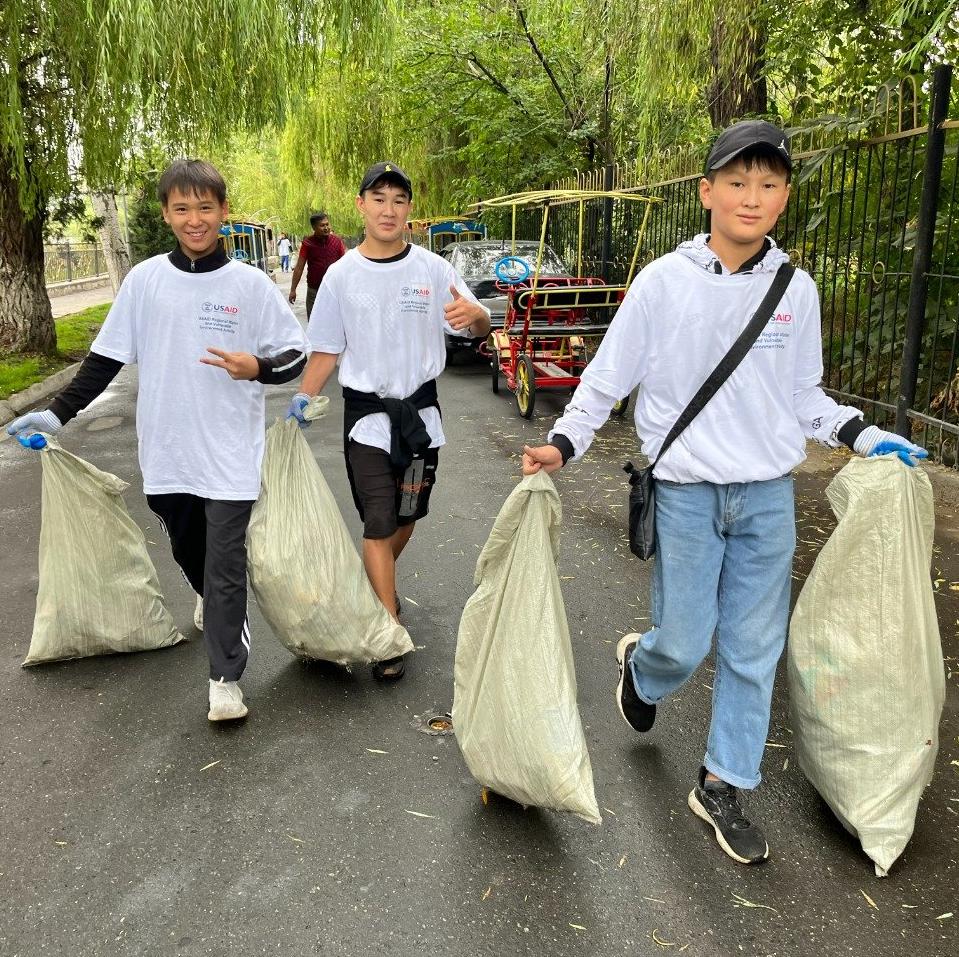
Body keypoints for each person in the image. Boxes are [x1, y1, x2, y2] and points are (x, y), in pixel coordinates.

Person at [521, 120, 927, 865]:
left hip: (767, 495)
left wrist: (865, 435)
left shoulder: (794, 289)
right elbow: (607, 378)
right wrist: (564, 442)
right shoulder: (662, 283)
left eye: (768, 184)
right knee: (683, 639)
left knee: (752, 648)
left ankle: (722, 784)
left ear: (784, 197)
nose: (751, 197)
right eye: (737, 182)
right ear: (707, 192)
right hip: (686, 493)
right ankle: (644, 669)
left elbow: (804, 395)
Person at [7, 159, 308, 723]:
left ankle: (225, 679)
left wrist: (258, 367)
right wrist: (57, 414)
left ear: (223, 211)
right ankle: (204, 594)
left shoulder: (249, 286)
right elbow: (105, 359)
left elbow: (296, 355)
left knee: (226, 564)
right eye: (182, 208)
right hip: (167, 453)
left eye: (205, 208)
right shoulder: (145, 281)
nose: (195, 220)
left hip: (230, 453)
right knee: (189, 549)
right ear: (167, 214)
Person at [287, 161, 491, 680]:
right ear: (361, 205)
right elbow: (326, 350)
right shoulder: (341, 275)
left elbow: (477, 322)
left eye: (398, 200)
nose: (388, 209)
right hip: (367, 420)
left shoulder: (433, 270)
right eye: (378, 198)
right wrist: (302, 400)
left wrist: (480, 319)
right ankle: (388, 628)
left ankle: (372, 583)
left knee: (407, 515)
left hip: (421, 418)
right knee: (378, 519)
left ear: (409, 211)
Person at [288, 211, 346, 318]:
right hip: (314, 291)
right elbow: (299, 268)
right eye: (322, 225)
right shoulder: (307, 244)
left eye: (327, 224)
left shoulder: (337, 242)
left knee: (335, 322)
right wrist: (293, 289)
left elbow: (345, 265)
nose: (326, 228)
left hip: (334, 290)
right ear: (314, 227)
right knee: (313, 322)